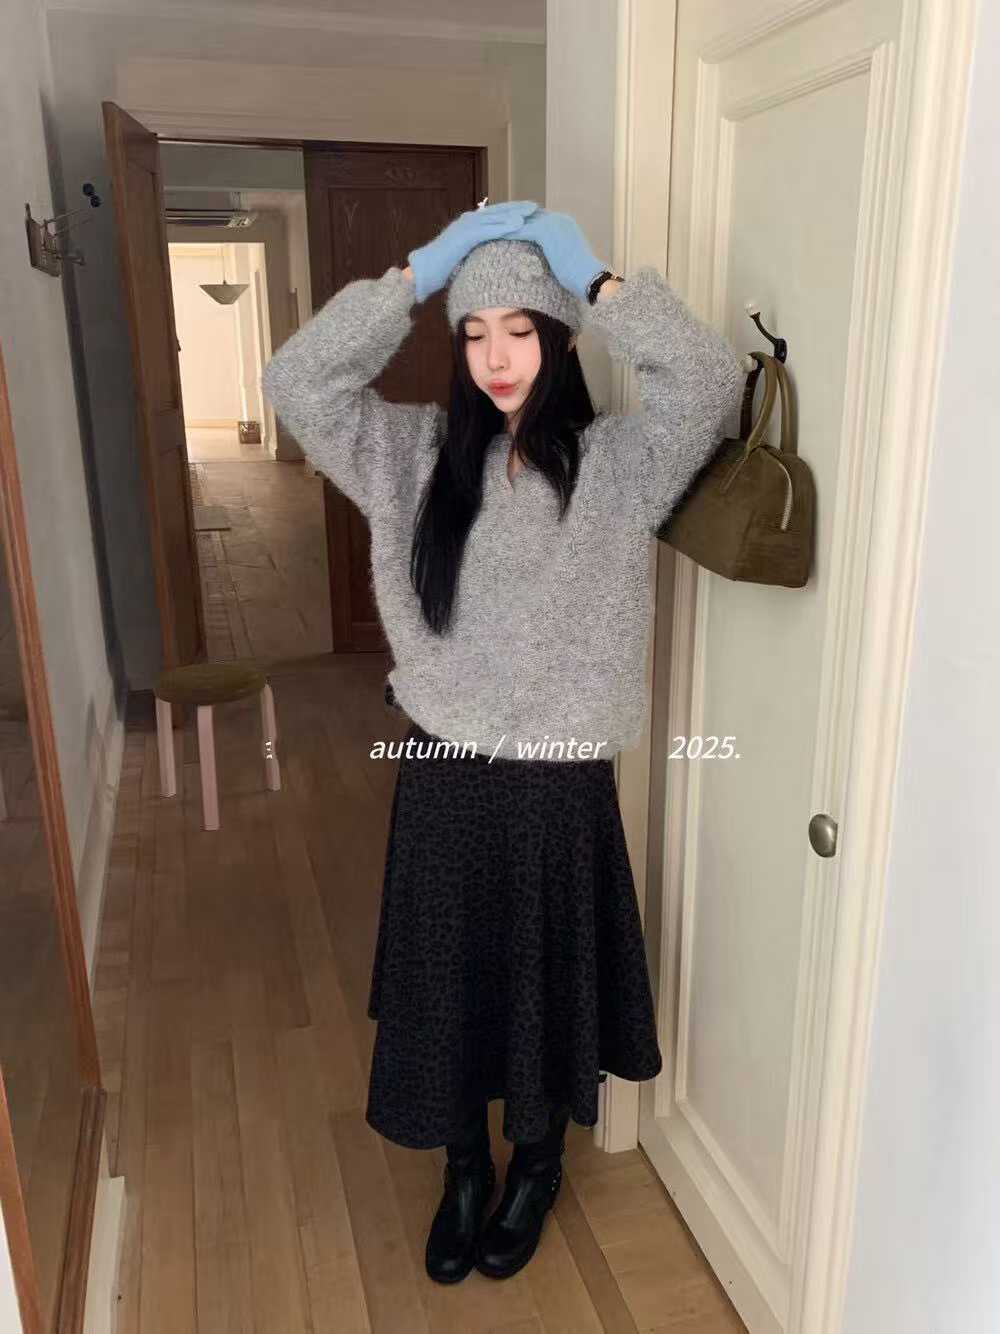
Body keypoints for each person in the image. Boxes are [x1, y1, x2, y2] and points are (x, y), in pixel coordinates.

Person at [261, 201, 745, 1285]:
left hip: (560, 781)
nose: (496, 356)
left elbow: (709, 381)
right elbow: (297, 381)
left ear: (560, 337)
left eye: (521, 329)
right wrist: (419, 272)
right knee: (451, 977)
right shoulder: (409, 455)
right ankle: (463, 1165)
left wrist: (597, 277)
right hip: (444, 766)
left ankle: (538, 1160)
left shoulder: (620, 463)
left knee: (543, 979)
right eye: (475, 333)